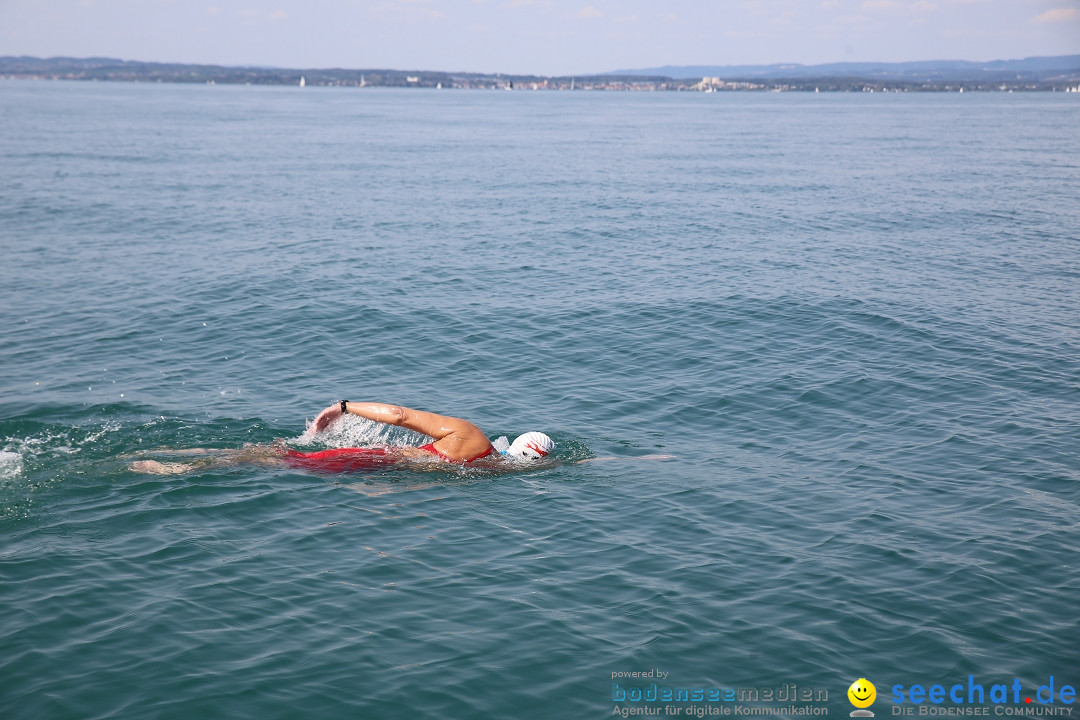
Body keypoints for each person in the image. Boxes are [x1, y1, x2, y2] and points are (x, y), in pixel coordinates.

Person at [129, 400, 555, 475]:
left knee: (274, 456)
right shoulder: (495, 471)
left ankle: (178, 464)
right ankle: (188, 458)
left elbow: (401, 416)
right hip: (373, 472)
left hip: (371, 459)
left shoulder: (470, 435)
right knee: (277, 459)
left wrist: (345, 407)